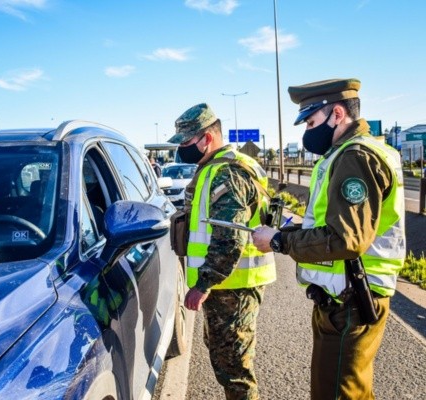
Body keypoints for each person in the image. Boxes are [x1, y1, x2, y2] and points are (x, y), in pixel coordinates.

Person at [252, 78, 405, 400]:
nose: (307, 131)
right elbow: (329, 224)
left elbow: (346, 239)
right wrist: (283, 234)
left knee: (336, 393)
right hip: (343, 297)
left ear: (337, 113)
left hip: (352, 298)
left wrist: (280, 242)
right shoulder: (344, 154)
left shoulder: (356, 156)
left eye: (310, 122)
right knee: (348, 390)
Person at [168, 103, 276, 399]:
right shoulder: (219, 167)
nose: (183, 150)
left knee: (235, 371)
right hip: (228, 285)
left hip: (233, 286)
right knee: (226, 362)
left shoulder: (227, 172)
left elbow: (229, 238)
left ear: (207, 138)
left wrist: (203, 284)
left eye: (187, 142)